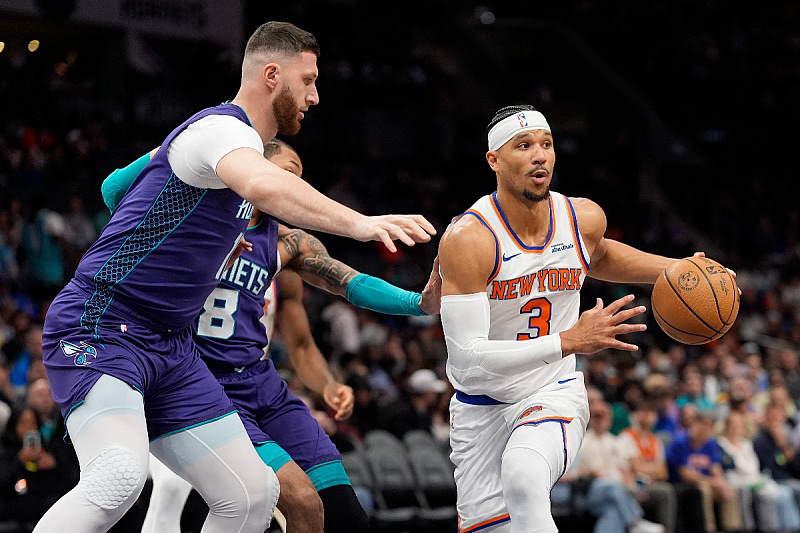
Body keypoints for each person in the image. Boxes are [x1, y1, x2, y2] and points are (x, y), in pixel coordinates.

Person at [35, 21, 435, 533]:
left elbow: (115, 187)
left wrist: (179, 222)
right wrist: (360, 223)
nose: (315, 96)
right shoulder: (222, 131)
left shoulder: (218, 150)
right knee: (119, 477)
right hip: (104, 324)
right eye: (308, 80)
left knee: (251, 494)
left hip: (174, 347)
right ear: (272, 75)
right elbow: (261, 183)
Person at [107, 139, 439, 533]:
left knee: (345, 514)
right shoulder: (196, 219)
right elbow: (116, 193)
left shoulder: (287, 241)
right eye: (286, 173)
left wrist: (418, 303)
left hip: (261, 381)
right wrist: (182, 142)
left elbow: (348, 281)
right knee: (285, 502)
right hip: (199, 383)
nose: (293, 185)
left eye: (299, 178)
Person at [437, 104, 700, 533]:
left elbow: (599, 255)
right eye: (524, 146)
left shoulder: (582, 217)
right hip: (479, 408)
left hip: (551, 390)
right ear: (494, 161)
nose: (540, 155)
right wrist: (568, 340)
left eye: (546, 144)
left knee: (524, 476)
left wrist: (678, 269)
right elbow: (465, 359)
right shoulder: (470, 239)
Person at [552, 399, 666, 533]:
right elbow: (595, 472)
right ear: (591, 420)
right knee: (612, 487)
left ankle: (635, 523)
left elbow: (626, 469)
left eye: (603, 417)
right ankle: (636, 522)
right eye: (596, 417)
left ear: (609, 419)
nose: (600, 421)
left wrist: (630, 484)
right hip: (587, 491)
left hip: (612, 492)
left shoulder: (616, 441)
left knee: (612, 509)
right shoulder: (584, 442)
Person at [718, 410, 800, 533]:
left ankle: (773, 528)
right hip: (736, 481)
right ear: (727, 426)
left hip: (754, 479)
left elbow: (752, 466)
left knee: (770, 491)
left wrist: (783, 446)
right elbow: (733, 465)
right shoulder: (721, 444)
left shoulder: (746, 443)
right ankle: (749, 528)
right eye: (733, 425)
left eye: (739, 425)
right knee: (783, 494)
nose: (736, 428)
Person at [666, 410, 741, 533]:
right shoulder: (680, 442)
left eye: (709, 427)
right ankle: (707, 528)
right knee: (703, 490)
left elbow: (715, 468)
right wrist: (711, 481)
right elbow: (685, 474)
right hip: (683, 483)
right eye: (703, 425)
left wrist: (722, 483)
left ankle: (731, 528)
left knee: (730, 489)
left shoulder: (710, 443)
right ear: (695, 424)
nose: (705, 430)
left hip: (706, 481)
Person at [618, 398, 677, 533]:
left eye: (651, 413)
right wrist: (653, 468)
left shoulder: (655, 440)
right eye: (644, 413)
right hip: (633, 485)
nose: (648, 416)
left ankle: (667, 530)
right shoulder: (627, 436)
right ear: (636, 415)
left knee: (667, 490)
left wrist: (648, 468)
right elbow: (636, 467)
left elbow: (663, 472)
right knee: (665, 491)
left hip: (651, 485)